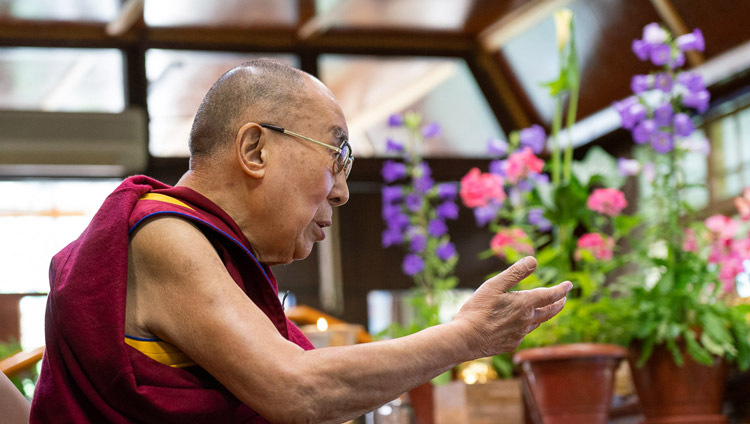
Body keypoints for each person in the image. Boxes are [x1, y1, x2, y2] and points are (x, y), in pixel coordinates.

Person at [30, 59, 571, 423]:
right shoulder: (162, 235)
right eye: (337, 158)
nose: (341, 193)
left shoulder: (216, 252)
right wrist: (465, 338)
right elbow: (298, 389)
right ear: (256, 150)